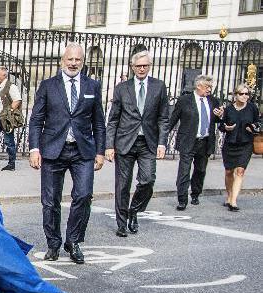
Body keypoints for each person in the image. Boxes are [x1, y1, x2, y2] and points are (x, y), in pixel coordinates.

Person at [28, 43, 106, 264]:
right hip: (53, 150)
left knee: (83, 195)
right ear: (62, 61)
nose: (73, 63)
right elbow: (36, 120)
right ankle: (53, 243)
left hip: (83, 151)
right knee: (50, 201)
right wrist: (35, 149)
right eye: (69, 59)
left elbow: (99, 122)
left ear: (82, 61)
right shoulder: (48, 86)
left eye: (77, 60)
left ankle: (73, 241)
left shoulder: (92, 86)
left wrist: (100, 151)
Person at [104, 50, 169, 237]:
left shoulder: (159, 87)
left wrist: (162, 143)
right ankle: (122, 223)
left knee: (148, 180)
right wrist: (109, 145)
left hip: (148, 142)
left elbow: (163, 118)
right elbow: (113, 119)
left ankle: (134, 210)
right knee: (122, 184)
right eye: (138, 66)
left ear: (150, 66)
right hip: (125, 142)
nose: (141, 69)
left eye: (145, 66)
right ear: (132, 67)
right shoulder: (122, 88)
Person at [166, 75, 218, 211]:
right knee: (184, 170)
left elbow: (218, 120)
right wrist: (162, 137)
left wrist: (221, 115)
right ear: (198, 86)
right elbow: (173, 119)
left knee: (200, 170)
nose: (209, 90)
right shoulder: (185, 100)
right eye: (207, 87)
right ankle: (182, 199)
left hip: (205, 141)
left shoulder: (213, 101)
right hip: (188, 140)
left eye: (210, 87)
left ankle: (195, 193)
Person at [215, 85, 260, 212]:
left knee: (240, 171)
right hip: (230, 144)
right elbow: (221, 126)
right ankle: (229, 196)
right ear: (235, 95)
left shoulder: (252, 108)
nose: (245, 96)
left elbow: (258, 122)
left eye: (247, 94)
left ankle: (233, 201)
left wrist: (252, 126)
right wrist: (226, 128)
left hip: (246, 143)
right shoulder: (228, 109)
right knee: (229, 172)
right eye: (242, 94)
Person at [0, 66, 23, 170]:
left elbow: (17, 100)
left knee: (8, 141)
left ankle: (11, 164)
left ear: (4, 75)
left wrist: (8, 112)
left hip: (6, 118)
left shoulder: (11, 86)